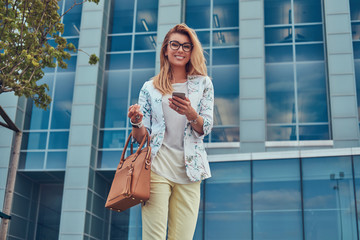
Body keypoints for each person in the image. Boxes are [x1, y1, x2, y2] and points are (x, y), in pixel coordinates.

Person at [127, 23, 214, 240]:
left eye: (186, 46)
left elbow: (207, 127)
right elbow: (140, 138)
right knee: (153, 237)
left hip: (190, 172)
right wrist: (137, 122)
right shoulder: (150, 87)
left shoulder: (203, 84)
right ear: (165, 49)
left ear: (192, 51)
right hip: (156, 167)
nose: (180, 50)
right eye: (175, 44)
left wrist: (191, 113)